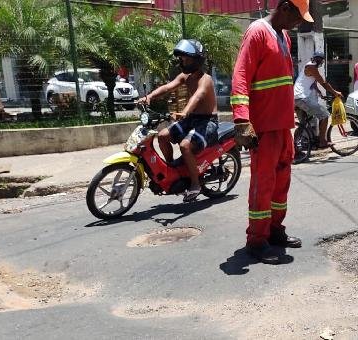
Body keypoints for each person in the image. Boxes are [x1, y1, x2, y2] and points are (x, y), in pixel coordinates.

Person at [231, 0, 311, 264]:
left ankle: (275, 230)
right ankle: (257, 240)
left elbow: (284, 82)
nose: (299, 24)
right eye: (298, 17)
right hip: (264, 127)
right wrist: (242, 120)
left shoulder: (284, 37)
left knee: (281, 184)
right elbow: (241, 77)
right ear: (285, 8)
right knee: (263, 185)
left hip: (283, 126)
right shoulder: (257, 32)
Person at [138, 39, 218, 202]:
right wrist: (149, 97)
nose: (182, 61)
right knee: (162, 136)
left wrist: (184, 112)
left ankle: (195, 184)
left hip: (207, 122)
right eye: (182, 59)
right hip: (191, 118)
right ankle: (173, 169)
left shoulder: (206, 79)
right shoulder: (185, 76)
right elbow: (168, 87)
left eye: (186, 59)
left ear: (196, 60)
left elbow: (198, 96)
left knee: (185, 146)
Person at [294, 51, 343, 149]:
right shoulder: (312, 67)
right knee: (324, 116)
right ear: (319, 60)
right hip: (302, 97)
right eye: (321, 61)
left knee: (304, 123)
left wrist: (319, 93)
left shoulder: (309, 66)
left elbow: (313, 83)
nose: (321, 63)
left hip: (296, 98)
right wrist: (335, 92)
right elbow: (323, 83)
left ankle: (298, 145)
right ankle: (322, 142)